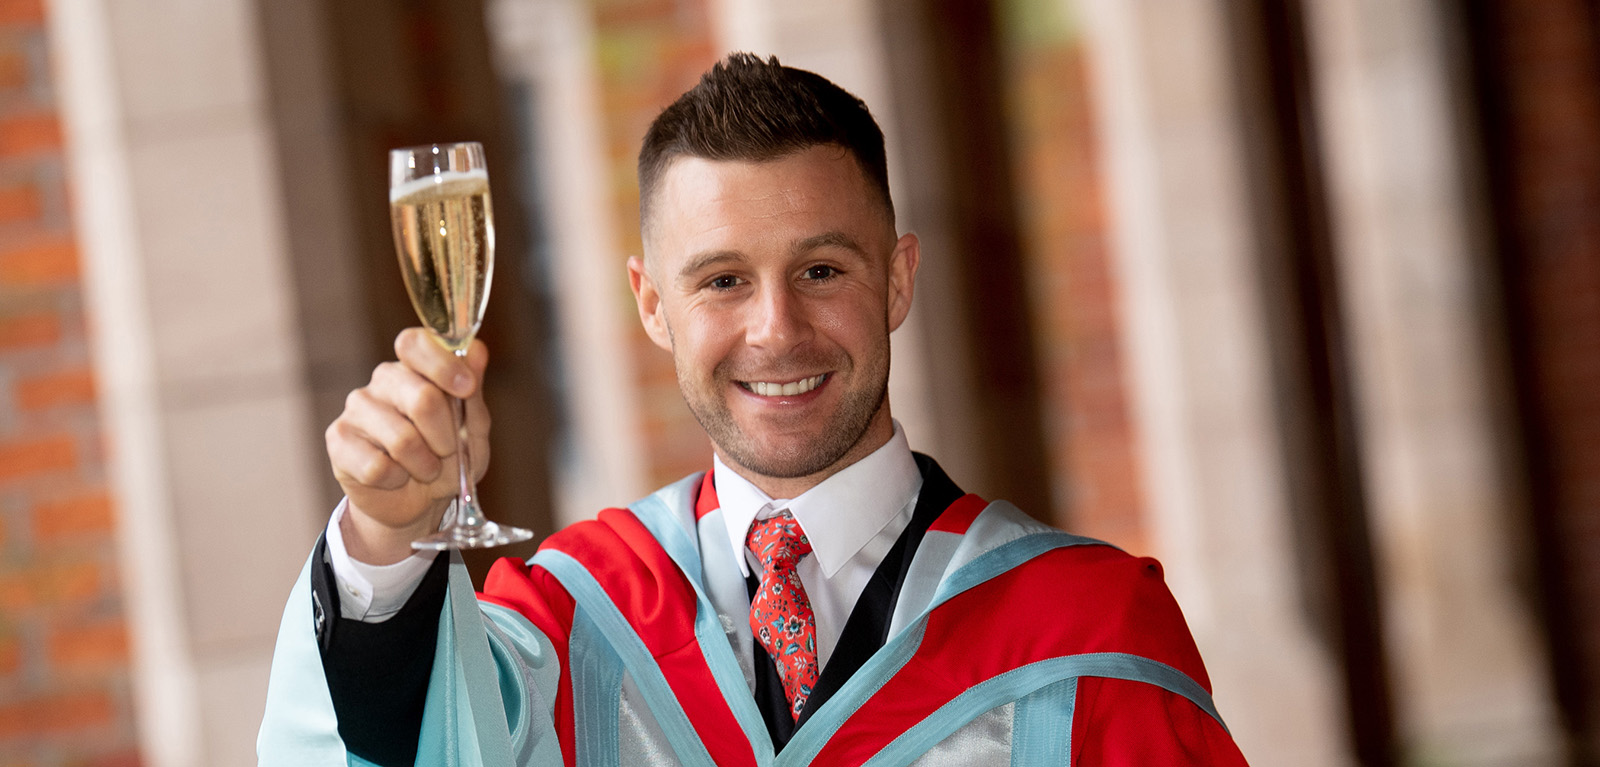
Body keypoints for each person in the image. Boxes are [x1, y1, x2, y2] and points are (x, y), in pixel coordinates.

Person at [258, 53, 1249, 766]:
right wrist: (386, 539)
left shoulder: (1084, 640)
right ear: (652, 303)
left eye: (821, 268)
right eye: (723, 280)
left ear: (899, 278)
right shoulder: (568, 629)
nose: (775, 329)